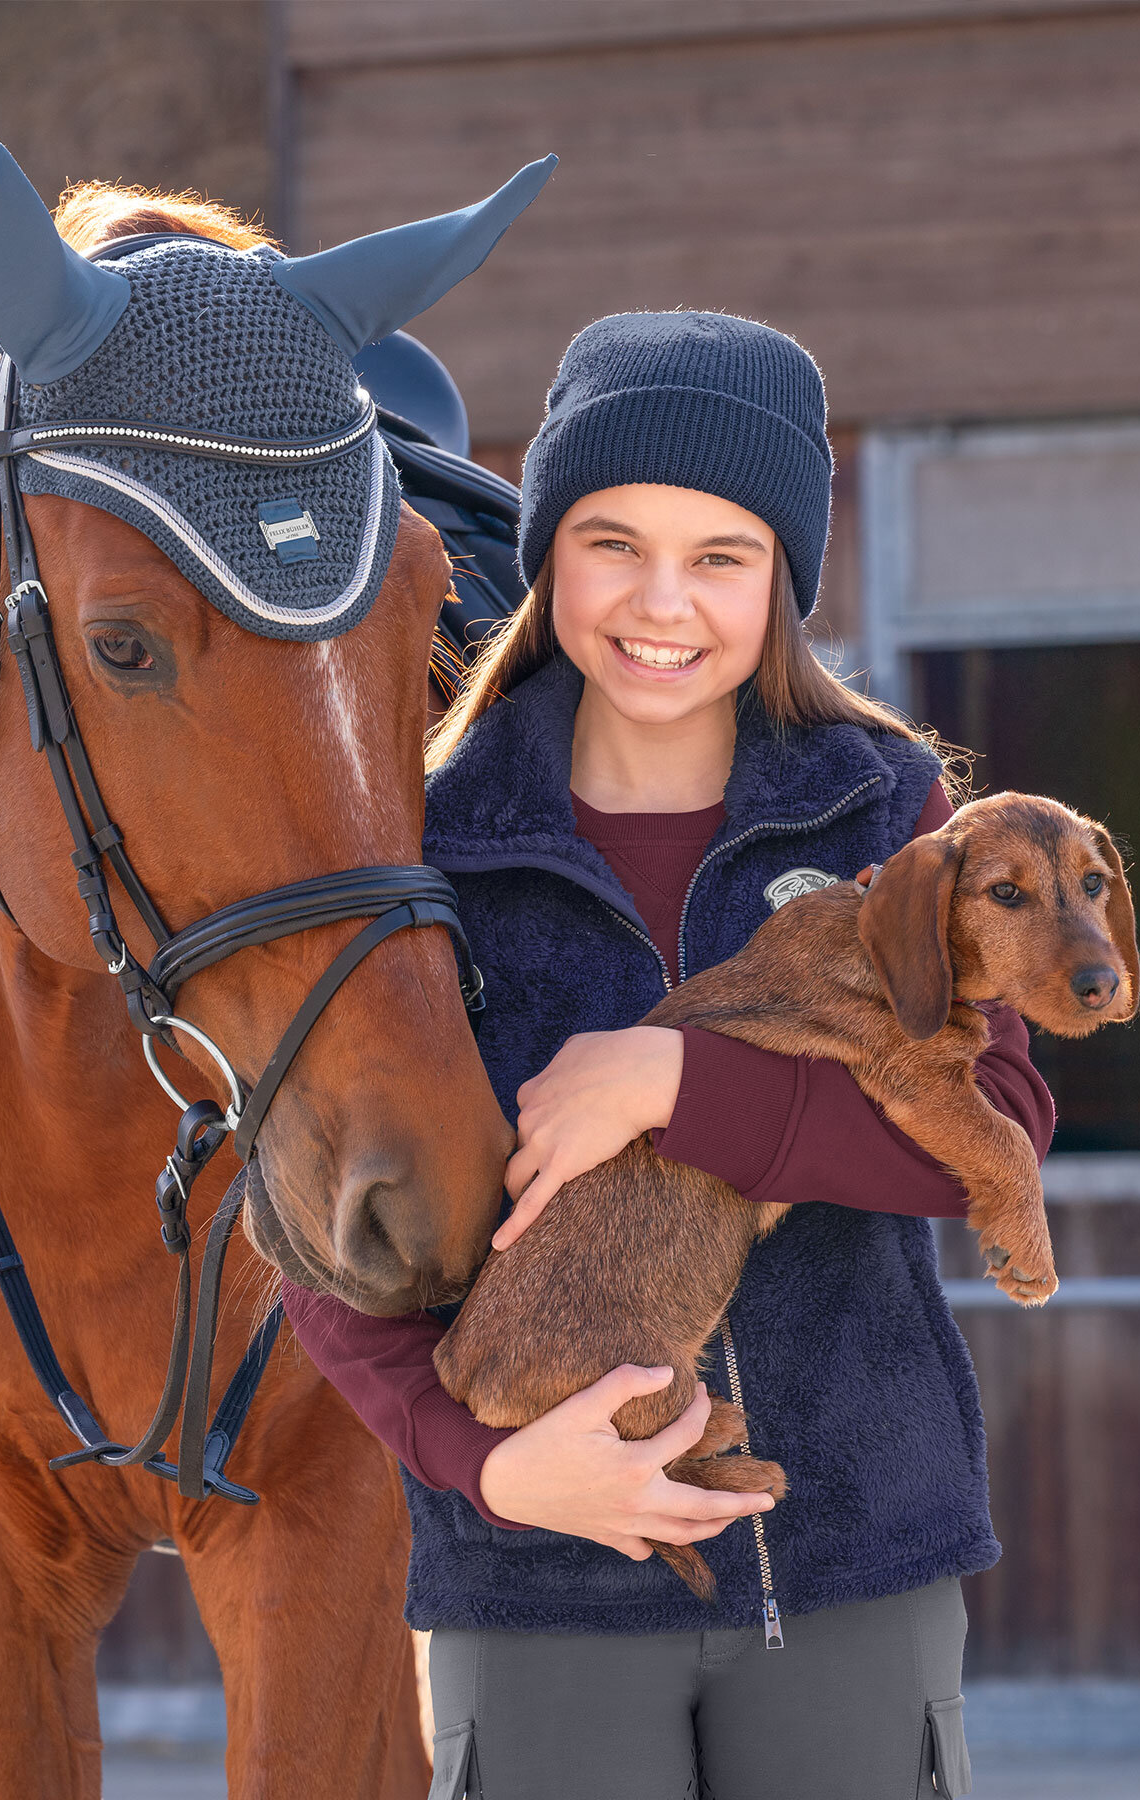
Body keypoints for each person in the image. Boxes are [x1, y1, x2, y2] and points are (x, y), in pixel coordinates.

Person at [279, 311, 1053, 1800]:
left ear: (784, 585)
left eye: (721, 557)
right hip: (538, 1574)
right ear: (544, 552)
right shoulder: (418, 844)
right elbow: (325, 1227)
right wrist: (481, 1463)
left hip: (852, 1563)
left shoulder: (879, 813)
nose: (660, 602)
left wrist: (679, 1088)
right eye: (611, 542)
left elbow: (997, 1120)